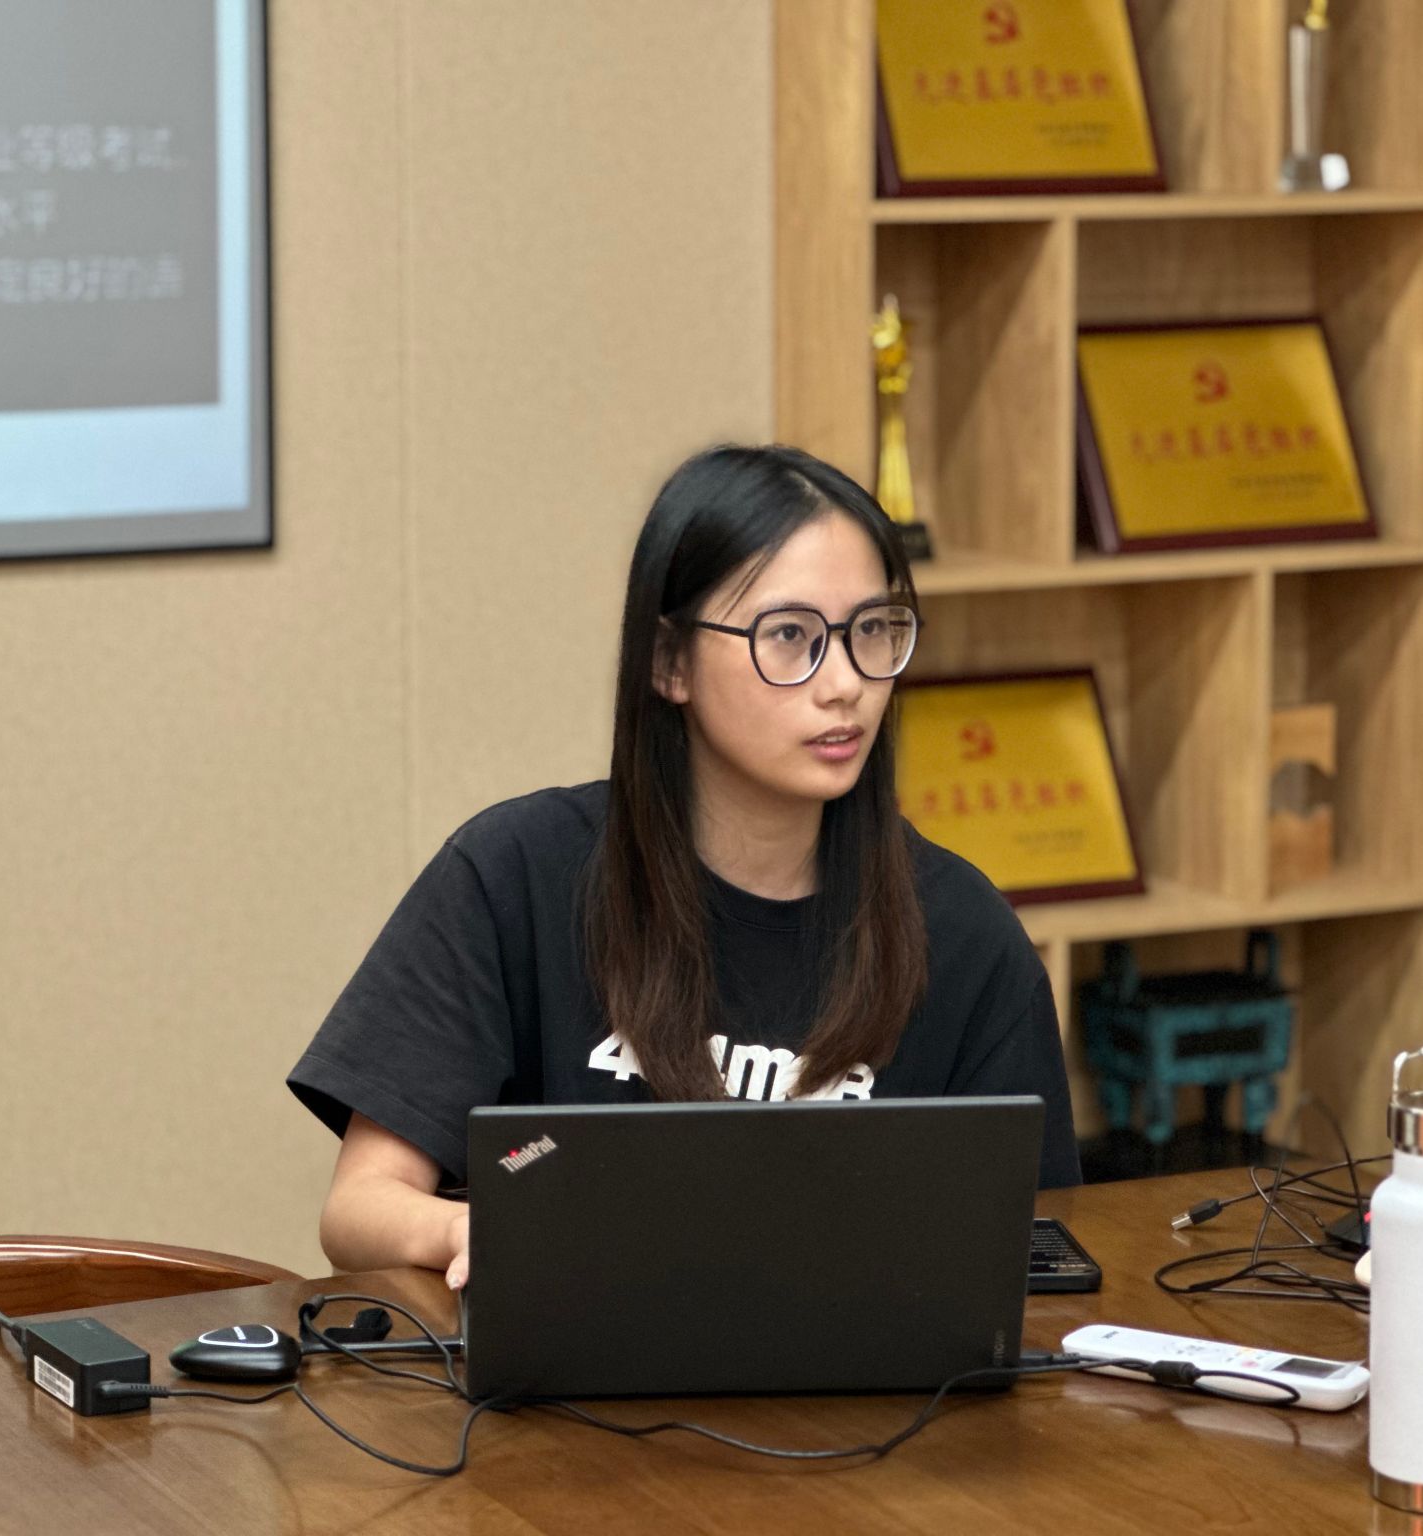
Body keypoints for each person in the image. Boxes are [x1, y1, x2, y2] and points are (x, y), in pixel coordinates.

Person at [287, 443, 1079, 1291]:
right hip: (574, 1360)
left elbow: (1041, 1242)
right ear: (669, 661)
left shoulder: (964, 934)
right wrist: (475, 1230)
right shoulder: (515, 876)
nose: (845, 683)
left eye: (872, 631)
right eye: (791, 636)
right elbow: (358, 1211)